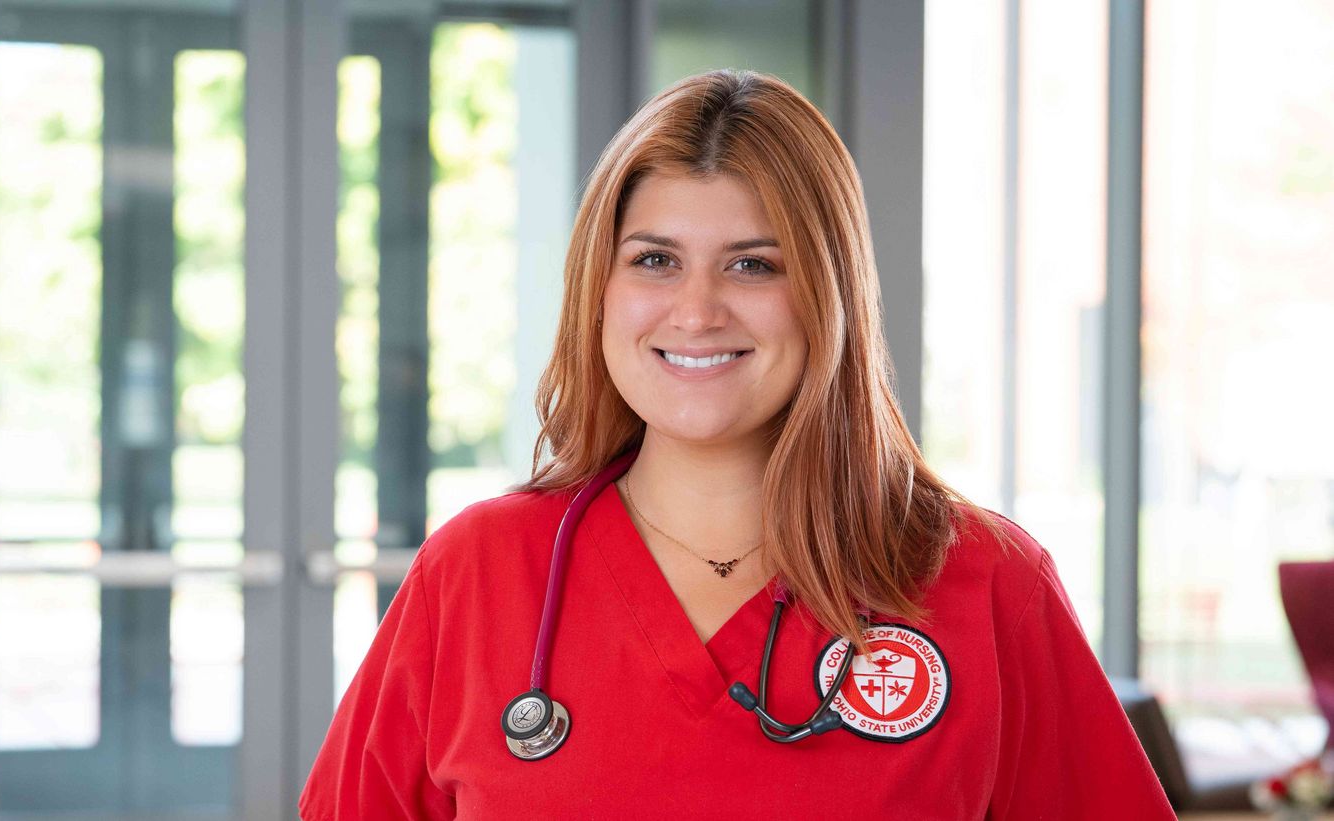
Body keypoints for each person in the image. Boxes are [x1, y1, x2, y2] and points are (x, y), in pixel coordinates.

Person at [299, 69, 1175, 819]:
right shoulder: (476, 576)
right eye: (654, 259)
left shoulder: (984, 583)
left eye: (755, 264)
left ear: (828, 296)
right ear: (596, 290)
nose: (697, 309)